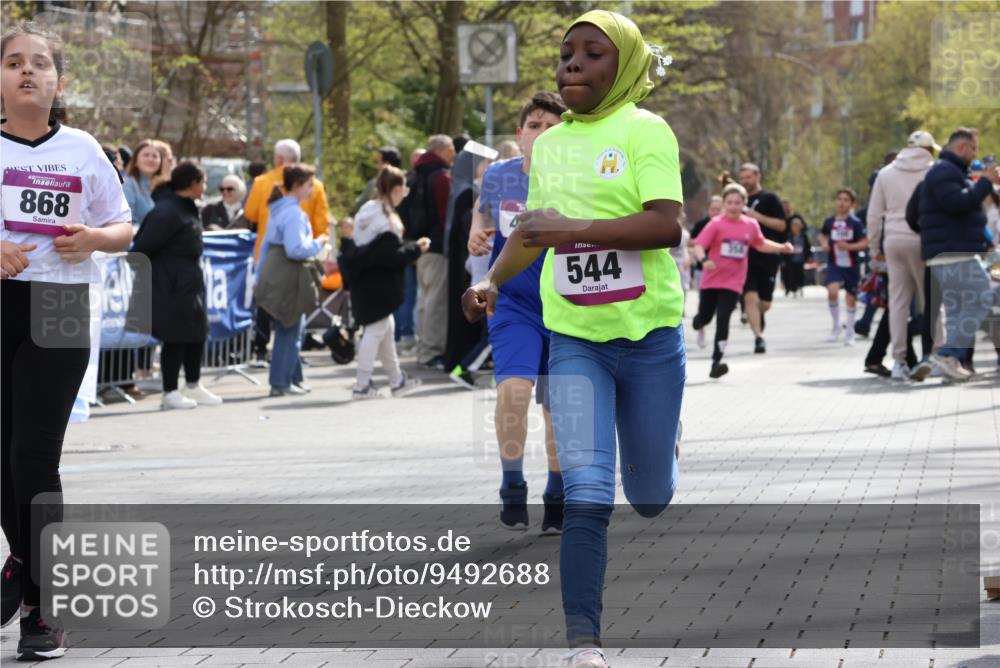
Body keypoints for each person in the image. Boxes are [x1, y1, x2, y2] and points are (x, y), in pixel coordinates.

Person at [462, 11, 684, 667]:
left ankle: (660, 450)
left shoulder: (647, 131)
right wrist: (495, 282)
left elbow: (666, 226)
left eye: (593, 54)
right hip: (576, 338)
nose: (573, 64)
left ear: (626, 67)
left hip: (649, 337)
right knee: (587, 490)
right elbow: (533, 229)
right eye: (567, 54)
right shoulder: (553, 144)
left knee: (648, 499)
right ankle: (583, 642)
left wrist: (575, 231)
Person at [1, 21, 134, 660]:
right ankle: (26, 559)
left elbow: (124, 226)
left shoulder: (82, 148)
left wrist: (92, 239)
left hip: (58, 303)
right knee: (3, 456)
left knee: (33, 455)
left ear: (57, 82)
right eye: (14, 63)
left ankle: (41, 604)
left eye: (40, 64)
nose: (27, 72)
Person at [466, 91, 567, 532]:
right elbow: (481, 210)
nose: (541, 133)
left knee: (560, 408)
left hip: (566, 305)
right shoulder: (500, 176)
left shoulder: (574, 178)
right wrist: (475, 232)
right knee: (514, 392)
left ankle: (558, 489)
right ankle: (512, 484)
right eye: (534, 125)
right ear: (520, 133)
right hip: (512, 302)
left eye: (551, 126)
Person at [131, 162, 223, 410]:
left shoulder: (187, 207)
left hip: (189, 281)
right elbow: (141, 248)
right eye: (203, 182)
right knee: (176, 337)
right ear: (192, 183)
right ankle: (169, 392)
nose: (205, 187)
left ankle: (192, 384)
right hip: (170, 284)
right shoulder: (166, 211)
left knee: (197, 332)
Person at [918, 127, 1000, 380]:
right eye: (973, 148)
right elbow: (957, 203)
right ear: (962, 147)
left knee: (956, 309)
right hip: (954, 252)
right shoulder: (945, 172)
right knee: (983, 296)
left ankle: (949, 366)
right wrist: (985, 182)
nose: (975, 153)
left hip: (949, 252)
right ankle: (946, 354)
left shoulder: (948, 172)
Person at [340, 166, 427, 398]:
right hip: (379, 283)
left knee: (386, 328)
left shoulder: (367, 210)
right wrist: (416, 249)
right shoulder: (386, 219)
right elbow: (392, 256)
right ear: (397, 189)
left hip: (364, 280)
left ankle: (396, 379)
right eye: (404, 190)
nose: (405, 194)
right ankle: (361, 385)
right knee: (376, 329)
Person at [692, 184, 793, 377]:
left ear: (744, 204)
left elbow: (760, 243)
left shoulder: (750, 224)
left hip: (734, 281)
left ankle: (716, 362)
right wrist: (704, 260)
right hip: (712, 280)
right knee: (705, 316)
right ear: (724, 204)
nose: (733, 206)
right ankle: (699, 321)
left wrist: (781, 247)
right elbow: (699, 246)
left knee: (723, 318)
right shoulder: (716, 224)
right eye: (729, 202)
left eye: (737, 202)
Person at [244, 139, 330, 366]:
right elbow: (321, 223)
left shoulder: (263, 183)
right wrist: (318, 243)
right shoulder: (316, 187)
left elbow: (250, 213)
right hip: (297, 257)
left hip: (267, 252)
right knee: (292, 315)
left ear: (279, 159)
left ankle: (262, 350)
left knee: (266, 305)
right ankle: (288, 364)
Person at [866, 131, 936, 379]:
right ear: (929, 149)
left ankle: (899, 361)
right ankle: (934, 357)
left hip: (893, 240)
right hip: (924, 239)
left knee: (898, 303)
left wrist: (874, 249)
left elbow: (874, 216)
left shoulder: (886, 174)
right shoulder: (934, 170)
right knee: (930, 302)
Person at [401, 135, 455, 369]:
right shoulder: (441, 177)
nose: (454, 154)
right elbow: (446, 215)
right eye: (452, 149)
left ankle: (424, 347)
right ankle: (432, 351)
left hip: (417, 246)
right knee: (436, 302)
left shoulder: (413, 176)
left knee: (424, 301)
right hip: (436, 247)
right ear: (442, 150)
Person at [738, 162, 788, 354]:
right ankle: (759, 338)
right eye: (742, 178)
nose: (745, 182)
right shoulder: (737, 201)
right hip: (744, 257)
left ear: (757, 177)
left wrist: (756, 216)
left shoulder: (769, 199)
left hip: (767, 255)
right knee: (750, 297)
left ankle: (757, 315)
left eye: (748, 177)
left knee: (764, 303)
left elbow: (782, 226)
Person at [819, 189, 868, 346]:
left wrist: (849, 246)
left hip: (851, 265)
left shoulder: (855, 223)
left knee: (850, 298)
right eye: (839, 199)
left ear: (852, 204)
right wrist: (825, 244)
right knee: (832, 291)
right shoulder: (829, 221)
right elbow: (823, 234)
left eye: (846, 200)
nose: (842, 203)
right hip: (834, 263)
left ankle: (849, 332)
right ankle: (835, 326)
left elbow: (864, 242)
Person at [393, 148, 428, 351]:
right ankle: (406, 333)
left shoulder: (412, 183)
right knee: (409, 293)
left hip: (408, 242)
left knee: (409, 293)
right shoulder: (415, 185)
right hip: (412, 243)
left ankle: (402, 333)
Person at [352, 146, 402, 215]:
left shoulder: (374, 184)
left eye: (378, 162)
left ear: (386, 164)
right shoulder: (407, 184)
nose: (376, 166)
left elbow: (359, 206)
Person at [689, 194, 722, 291]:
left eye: (718, 209)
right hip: (702, 267)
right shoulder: (701, 224)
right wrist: (704, 240)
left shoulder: (729, 224)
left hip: (723, 268)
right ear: (708, 210)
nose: (715, 212)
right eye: (713, 209)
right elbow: (690, 241)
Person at [784, 216, 812, 297]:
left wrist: (808, 256)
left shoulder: (803, 236)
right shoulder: (788, 236)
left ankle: (800, 286)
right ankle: (793, 289)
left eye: (797, 226)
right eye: (794, 226)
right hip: (791, 259)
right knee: (792, 274)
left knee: (800, 274)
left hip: (800, 258)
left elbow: (808, 246)